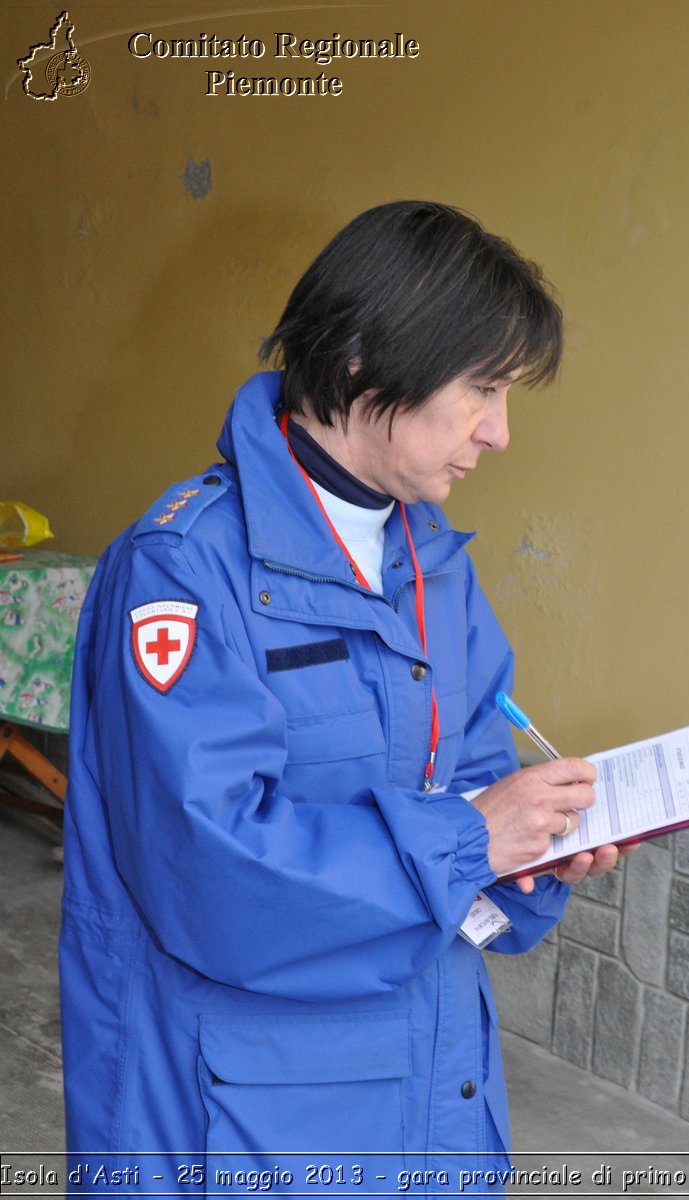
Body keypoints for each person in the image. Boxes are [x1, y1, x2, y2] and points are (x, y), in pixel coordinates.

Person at [60, 200, 632, 1194]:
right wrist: (467, 840)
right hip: (242, 1126)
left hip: (429, 1099)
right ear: (369, 361)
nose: (497, 434)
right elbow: (211, 872)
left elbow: (471, 788)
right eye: (480, 390)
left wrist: (533, 850)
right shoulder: (185, 573)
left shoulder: (432, 566)